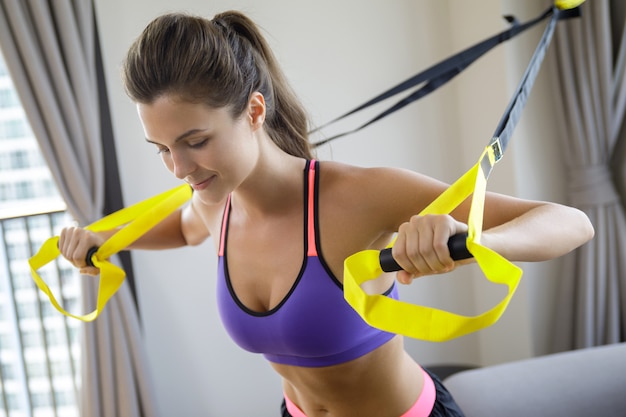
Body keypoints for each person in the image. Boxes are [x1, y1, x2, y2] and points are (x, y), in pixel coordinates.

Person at [58, 10, 594, 417]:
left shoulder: (355, 198)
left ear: (254, 111)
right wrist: (106, 242)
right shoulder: (214, 202)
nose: (178, 169)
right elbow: (180, 227)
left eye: (195, 141)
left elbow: (570, 222)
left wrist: (468, 240)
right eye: (162, 148)